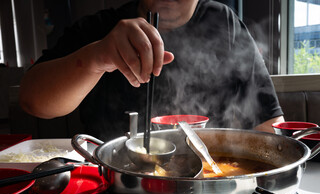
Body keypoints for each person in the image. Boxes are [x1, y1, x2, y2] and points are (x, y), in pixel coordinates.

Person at [19, 0, 284, 141]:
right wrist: (97, 56)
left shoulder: (225, 23)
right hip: (114, 193)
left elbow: (270, 125)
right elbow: (32, 100)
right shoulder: (100, 28)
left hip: (211, 187)